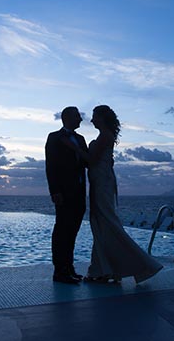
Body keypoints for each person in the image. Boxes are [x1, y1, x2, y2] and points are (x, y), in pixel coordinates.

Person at [65, 105, 162, 284]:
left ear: (102, 117)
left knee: (107, 223)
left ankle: (141, 264)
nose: (92, 120)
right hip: (99, 182)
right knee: (101, 225)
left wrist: (73, 148)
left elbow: (92, 161)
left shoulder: (105, 136)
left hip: (102, 184)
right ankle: (104, 270)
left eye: (94, 116)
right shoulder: (104, 136)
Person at [45, 106, 88, 285]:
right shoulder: (54, 138)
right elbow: (50, 167)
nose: (80, 120)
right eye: (78, 116)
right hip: (63, 192)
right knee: (62, 230)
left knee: (73, 230)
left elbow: (86, 162)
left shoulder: (80, 139)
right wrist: (55, 191)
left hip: (79, 191)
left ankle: (69, 267)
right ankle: (59, 270)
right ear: (68, 118)